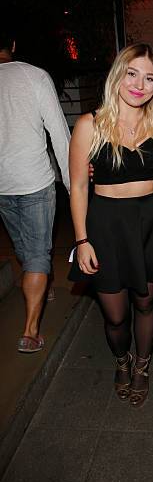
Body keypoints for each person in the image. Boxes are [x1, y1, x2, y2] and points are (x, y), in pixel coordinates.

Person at [69, 43, 153, 407]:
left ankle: (142, 367)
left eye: (149, 78)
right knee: (115, 314)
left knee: (147, 304)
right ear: (118, 75)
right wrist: (82, 240)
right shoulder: (90, 124)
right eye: (132, 74)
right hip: (105, 225)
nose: (139, 84)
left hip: (148, 223)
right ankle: (122, 360)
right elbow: (79, 185)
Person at [0, 31, 70, 353]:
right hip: (35, 182)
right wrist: (74, 187)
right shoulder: (34, 76)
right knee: (37, 253)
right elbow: (59, 132)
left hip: (2, 185)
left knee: (25, 248)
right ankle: (30, 330)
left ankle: (43, 283)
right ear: (13, 45)